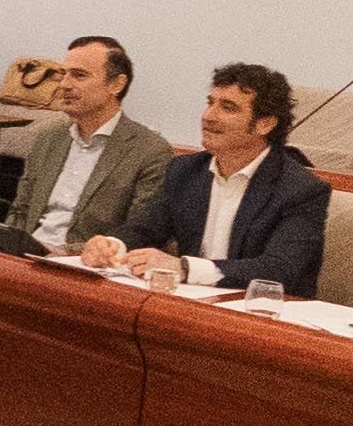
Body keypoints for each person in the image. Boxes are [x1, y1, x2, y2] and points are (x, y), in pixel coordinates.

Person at [85, 62, 331, 295]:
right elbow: (146, 228)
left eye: (228, 107)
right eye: (210, 103)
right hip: (193, 302)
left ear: (264, 124)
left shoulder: (301, 189)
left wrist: (184, 268)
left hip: (263, 315)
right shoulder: (185, 170)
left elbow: (280, 270)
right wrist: (112, 246)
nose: (208, 116)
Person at [4, 36, 170, 251]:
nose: (64, 84)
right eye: (63, 74)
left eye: (79, 75)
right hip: (25, 256)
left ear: (116, 84)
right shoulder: (49, 137)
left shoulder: (149, 151)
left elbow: (140, 232)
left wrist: (66, 253)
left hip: (84, 265)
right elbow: (20, 210)